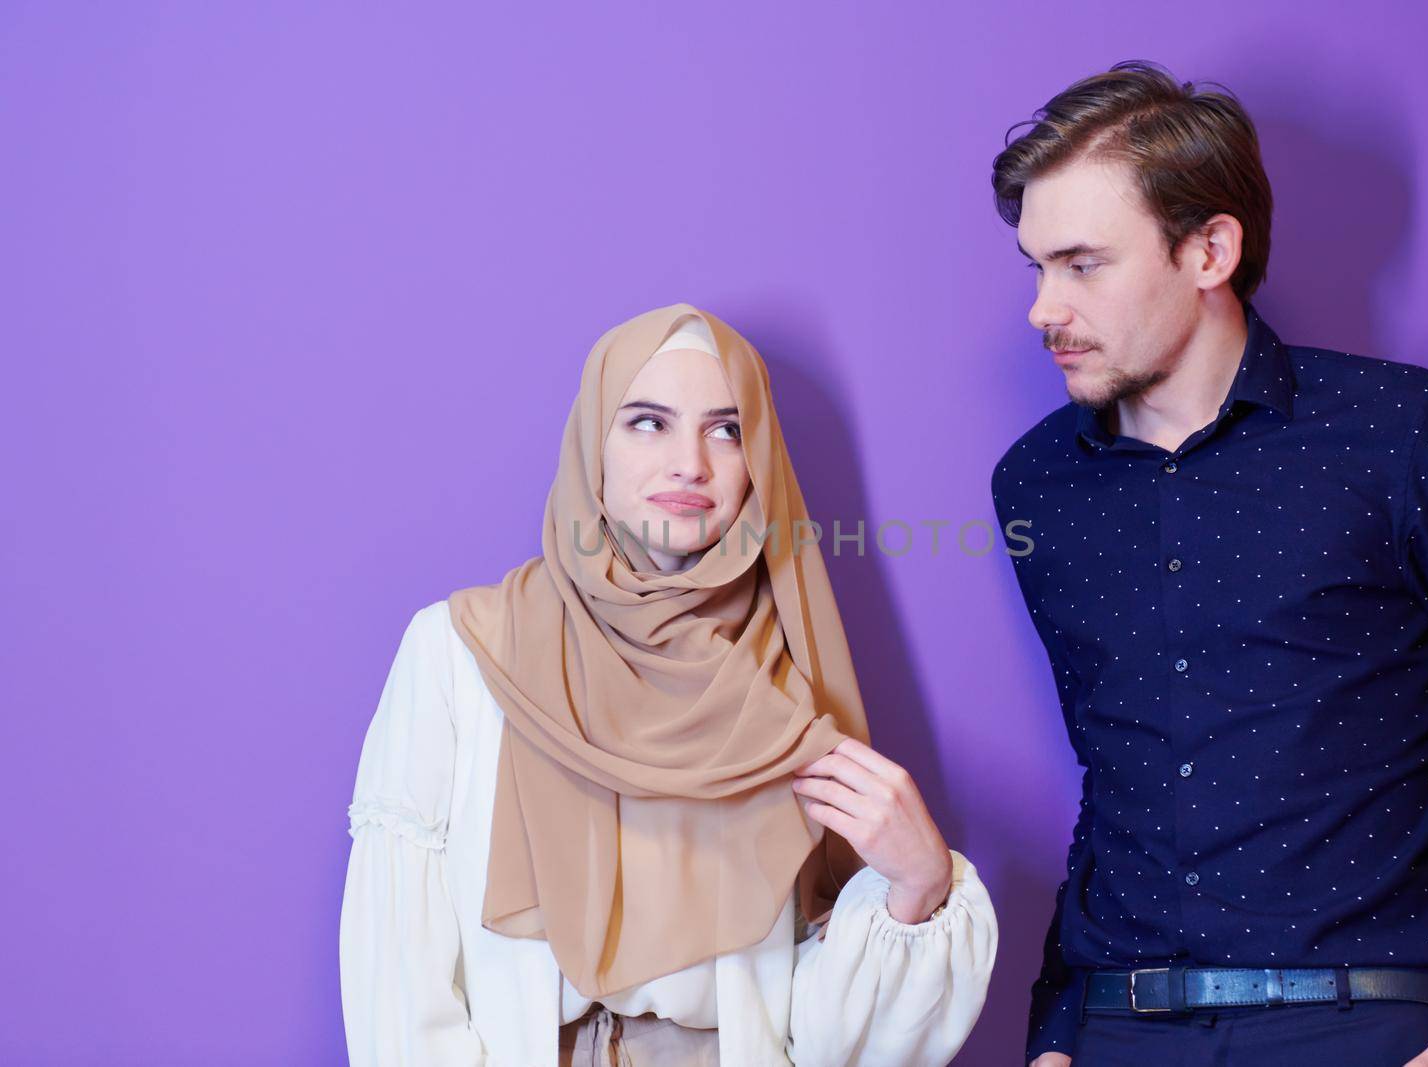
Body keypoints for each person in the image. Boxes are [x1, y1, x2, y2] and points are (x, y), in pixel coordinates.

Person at [988, 61, 1428, 1067]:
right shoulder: (1038, 484)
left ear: (1208, 249)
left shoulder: (1402, 432)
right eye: (1034, 267)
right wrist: (1056, 1029)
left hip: (1363, 1021)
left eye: (1081, 263)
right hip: (1114, 1027)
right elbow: (1118, 777)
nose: (1042, 308)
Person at [339, 303, 998, 1066]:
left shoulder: (785, 685)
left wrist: (918, 886)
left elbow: (827, 1042)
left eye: (726, 429)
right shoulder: (459, 654)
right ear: (593, 445)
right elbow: (401, 977)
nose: (691, 462)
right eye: (648, 422)